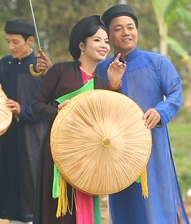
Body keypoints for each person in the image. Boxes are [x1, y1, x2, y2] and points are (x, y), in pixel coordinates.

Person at [96, 4, 190, 224]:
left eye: (130, 27)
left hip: (152, 145)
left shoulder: (157, 63)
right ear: (109, 35)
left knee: (156, 201)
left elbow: (175, 92)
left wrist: (160, 111)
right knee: (123, 203)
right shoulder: (101, 69)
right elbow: (95, 103)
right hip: (117, 148)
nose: (126, 32)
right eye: (118, 29)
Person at [32, 15, 125, 224]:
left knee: (83, 210)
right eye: (97, 40)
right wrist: (58, 113)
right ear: (81, 44)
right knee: (58, 211)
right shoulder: (61, 71)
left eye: (106, 41)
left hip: (88, 155)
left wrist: (115, 85)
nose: (104, 45)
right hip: (58, 151)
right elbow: (37, 105)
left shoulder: (103, 82)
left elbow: (114, 118)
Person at [0, 19, 50, 224]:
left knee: (32, 184)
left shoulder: (41, 67)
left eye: (15, 42)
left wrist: (22, 110)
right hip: (10, 136)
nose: (11, 46)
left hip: (35, 137)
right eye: (8, 42)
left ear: (30, 40)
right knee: (11, 184)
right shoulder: (4, 64)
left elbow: (50, 105)